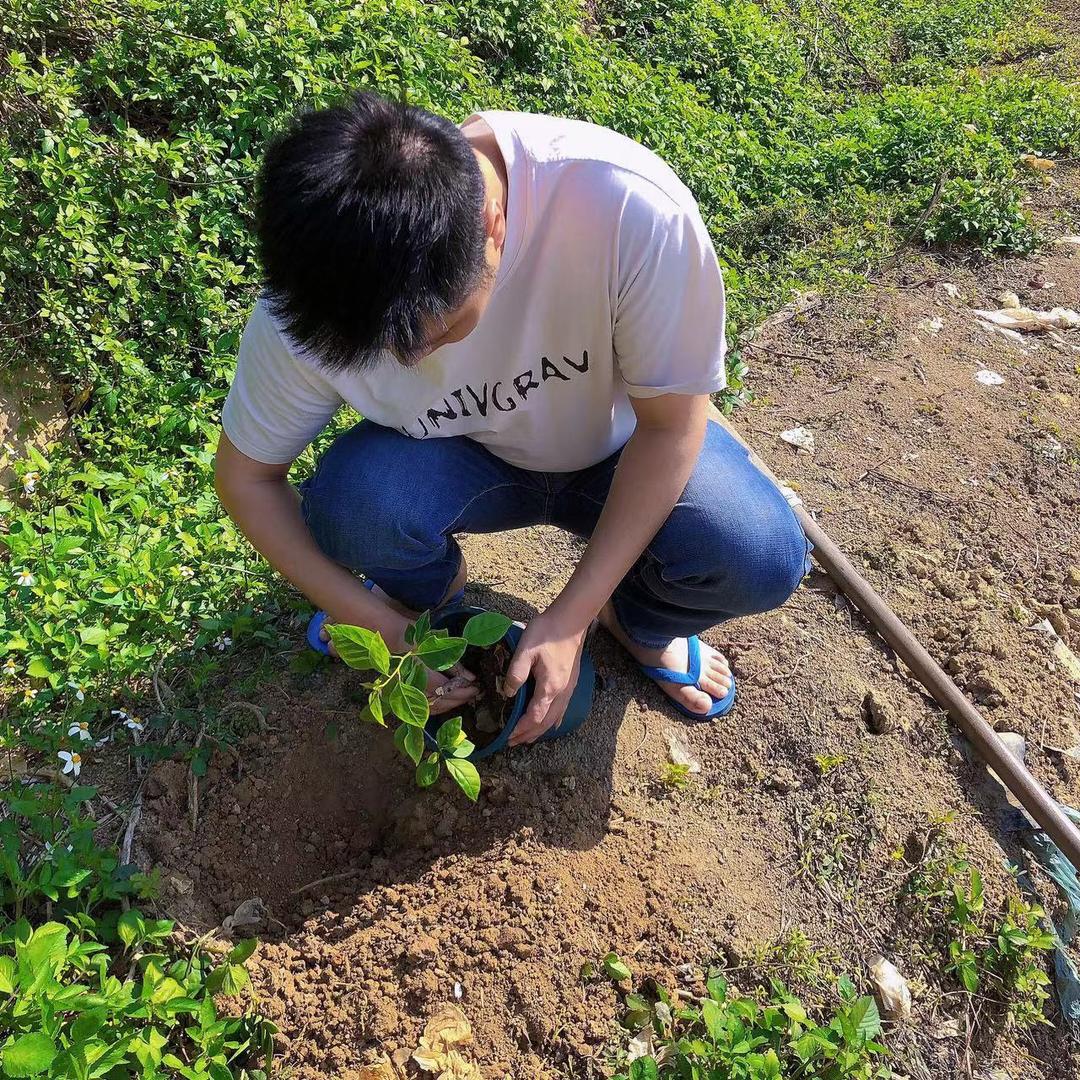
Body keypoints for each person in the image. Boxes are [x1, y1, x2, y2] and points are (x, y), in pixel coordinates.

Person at [214, 91, 811, 747]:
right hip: (463, 458)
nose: (407, 363)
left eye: (435, 335)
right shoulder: (306, 301)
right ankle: (420, 601)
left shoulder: (626, 208)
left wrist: (572, 617)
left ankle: (636, 622)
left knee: (757, 553)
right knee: (352, 505)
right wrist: (375, 626)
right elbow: (248, 480)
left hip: (622, 449)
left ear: (492, 224)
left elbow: (670, 427)